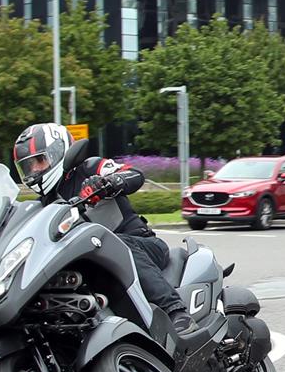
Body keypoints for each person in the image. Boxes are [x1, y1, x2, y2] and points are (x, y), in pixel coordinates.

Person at [12, 122, 198, 335]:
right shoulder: (43, 205)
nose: (34, 170)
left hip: (140, 243)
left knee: (115, 244)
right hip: (93, 263)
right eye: (28, 166)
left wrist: (110, 182)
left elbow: (135, 174)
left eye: (39, 161)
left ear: (57, 153)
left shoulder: (90, 168)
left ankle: (176, 312)